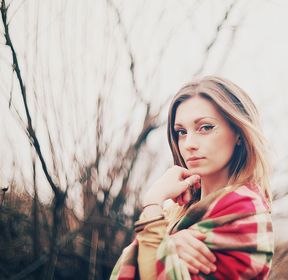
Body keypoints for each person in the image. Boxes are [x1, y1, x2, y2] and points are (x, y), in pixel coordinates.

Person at [110, 76, 274, 279]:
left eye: (205, 127)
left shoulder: (245, 212)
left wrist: (153, 205)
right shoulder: (175, 211)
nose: (189, 144)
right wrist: (169, 244)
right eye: (181, 132)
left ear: (239, 133)